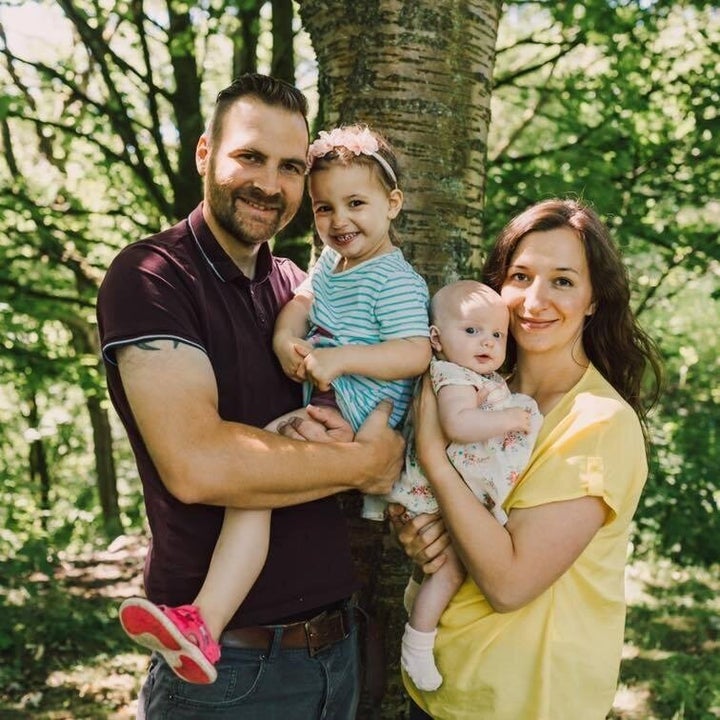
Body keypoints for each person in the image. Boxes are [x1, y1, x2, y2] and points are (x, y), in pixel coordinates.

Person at [96, 74, 406, 720]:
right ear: (205, 154)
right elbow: (199, 466)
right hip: (229, 674)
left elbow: (385, 381)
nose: (270, 183)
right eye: (250, 157)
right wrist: (367, 464)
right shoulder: (152, 277)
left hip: (339, 652)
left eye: (291, 167)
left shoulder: (300, 286)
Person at [388, 198, 663, 720]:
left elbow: (510, 583)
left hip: (525, 702)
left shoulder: (598, 422)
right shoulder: (477, 390)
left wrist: (434, 457)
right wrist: (414, 528)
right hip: (439, 688)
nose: (534, 300)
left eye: (562, 280)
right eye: (520, 276)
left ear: (593, 300)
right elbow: (440, 507)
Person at [390, 280, 542, 691]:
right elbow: (459, 425)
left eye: (497, 334)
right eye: (472, 331)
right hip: (430, 493)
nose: (487, 343)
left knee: (450, 564)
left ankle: (422, 621)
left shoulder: (475, 375)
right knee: (453, 567)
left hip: (447, 487)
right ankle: (418, 642)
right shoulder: (452, 376)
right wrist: (510, 419)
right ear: (436, 339)